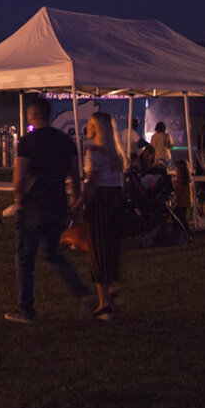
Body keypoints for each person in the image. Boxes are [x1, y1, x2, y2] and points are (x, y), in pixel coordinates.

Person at [5, 97, 91, 323]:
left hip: (34, 206)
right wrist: (74, 202)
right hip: (58, 206)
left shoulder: (27, 142)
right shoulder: (65, 141)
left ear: (33, 115)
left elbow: (19, 175)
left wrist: (19, 199)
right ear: (49, 115)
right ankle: (83, 292)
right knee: (52, 254)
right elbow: (75, 175)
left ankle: (25, 310)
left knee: (25, 258)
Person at [81, 112, 128, 320]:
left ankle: (104, 304)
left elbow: (92, 182)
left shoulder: (94, 152)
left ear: (97, 129)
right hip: (116, 200)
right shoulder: (117, 154)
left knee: (98, 250)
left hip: (100, 201)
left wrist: (77, 203)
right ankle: (110, 290)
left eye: (91, 125)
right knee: (110, 248)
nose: (87, 128)